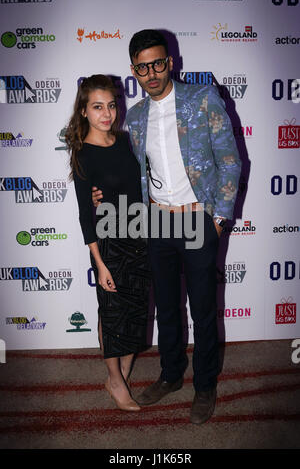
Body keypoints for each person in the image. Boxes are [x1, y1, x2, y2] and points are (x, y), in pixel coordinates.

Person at [92, 30, 241, 424]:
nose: (151, 72)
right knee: (167, 310)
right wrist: (100, 196)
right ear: (134, 71)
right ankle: (171, 374)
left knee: (204, 309)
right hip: (156, 220)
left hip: (198, 218)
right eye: (143, 67)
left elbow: (230, 160)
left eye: (158, 63)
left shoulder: (202, 98)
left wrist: (220, 218)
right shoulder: (136, 116)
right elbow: (129, 171)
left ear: (170, 62)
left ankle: (204, 384)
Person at [65, 74, 151, 412]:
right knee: (112, 313)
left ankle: (123, 374)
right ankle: (115, 380)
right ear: (84, 111)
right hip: (109, 243)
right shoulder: (83, 154)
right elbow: (86, 215)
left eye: (111, 105)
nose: (107, 114)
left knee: (136, 310)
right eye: (98, 107)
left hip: (140, 234)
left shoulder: (127, 141)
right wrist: (99, 264)